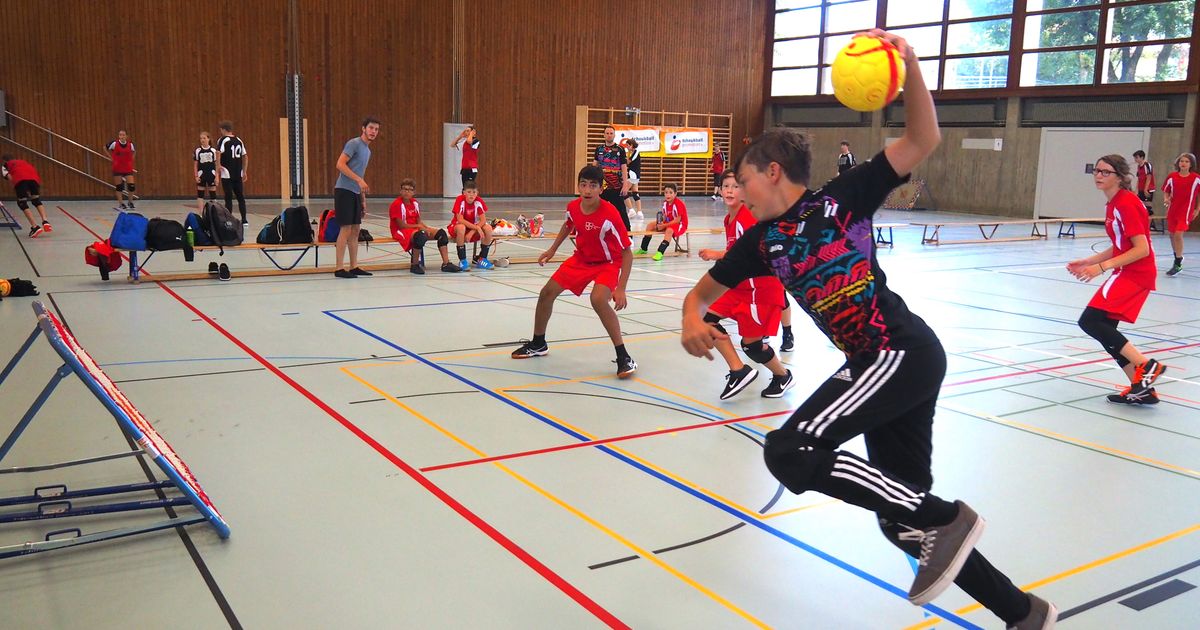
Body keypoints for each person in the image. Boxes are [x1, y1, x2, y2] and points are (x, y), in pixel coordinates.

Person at [679, 30, 1055, 629]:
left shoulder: (841, 199)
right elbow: (702, 293)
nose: (739, 193)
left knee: (793, 449)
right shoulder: (759, 243)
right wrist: (689, 318)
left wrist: (908, 65)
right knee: (902, 521)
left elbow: (923, 138)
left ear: (773, 172)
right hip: (877, 365)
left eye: (744, 180)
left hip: (898, 351)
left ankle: (945, 516)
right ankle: (1023, 612)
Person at [511, 165, 636, 379]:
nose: (587, 190)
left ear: (601, 188)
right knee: (546, 293)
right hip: (581, 259)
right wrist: (551, 250)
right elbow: (568, 225)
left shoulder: (610, 214)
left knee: (598, 300)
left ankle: (624, 356)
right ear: (578, 186)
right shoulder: (573, 206)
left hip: (608, 262)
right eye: (583, 185)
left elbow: (627, 252)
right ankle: (538, 343)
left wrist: (621, 288)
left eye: (593, 186)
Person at [1068, 154, 1167, 405]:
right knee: (1105, 328)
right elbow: (1120, 245)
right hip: (1127, 271)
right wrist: (1088, 261)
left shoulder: (1126, 203)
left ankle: (1146, 365)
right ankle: (1141, 388)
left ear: (1120, 177)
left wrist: (1101, 267)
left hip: (1135, 273)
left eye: (1106, 172)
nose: (1099, 176)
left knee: (1090, 321)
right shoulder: (1113, 204)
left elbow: (1141, 249)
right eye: (1097, 171)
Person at [697, 169, 793, 399]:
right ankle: (738, 370)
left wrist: (718, 255)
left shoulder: (748, 217)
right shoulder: (730, 218)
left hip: (760, 289)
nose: (729, 190)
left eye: (735, 186)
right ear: (719, 190)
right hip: (741, 287)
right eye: (725, 186)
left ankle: (782, 375)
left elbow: (752, 253)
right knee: (706, 320)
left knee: (752, 345)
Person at [332, 117, 380, 279]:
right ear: (363, 129)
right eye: (371, 128)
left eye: (376, 129)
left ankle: (354, 266)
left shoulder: (368, 150)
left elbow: (361, 175)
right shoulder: (353, 144)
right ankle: (339, 268)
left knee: (355, 230)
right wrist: (358, 180)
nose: (373, 132)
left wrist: (363, 199)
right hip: (343, 191)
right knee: (345, 229)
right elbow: (340, 164)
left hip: (355, 193)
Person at [389, 178, 459, 274]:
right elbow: (402, 225)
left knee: (441, 234)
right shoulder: (396, 204)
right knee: (420, 236)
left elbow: (419, 221)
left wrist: (425, 228)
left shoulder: (414, 203)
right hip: (400, 230)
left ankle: (446, 263)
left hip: (413, 228)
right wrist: (420, 227)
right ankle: (415, 265)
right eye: (404, 189)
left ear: (413, 192)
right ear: (400, 191)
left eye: (409, 190)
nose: (406, 192)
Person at [1161, 152, 1200, 276]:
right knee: (1172, 235)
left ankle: (1178, 263)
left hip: (1186, 211)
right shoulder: (1172, 177)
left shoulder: (1196, 178)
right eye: (1181, 161)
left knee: (1178, 234)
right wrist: (1166, 198)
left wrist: (1197, 209)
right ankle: (1177, 258)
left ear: (1191, 164)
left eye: (1186, 161)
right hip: (1173, 210)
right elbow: (1166, 191)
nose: (1183, 163)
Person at [448, 180, 495, 271]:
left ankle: (482, 259)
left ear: (477, 193)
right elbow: (460, 219)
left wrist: (473, 230)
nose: (471, 195)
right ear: (464, 192)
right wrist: (477, 227)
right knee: (461, 227)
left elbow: (483, 220)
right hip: (458, 226)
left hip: (472, 227)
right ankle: (463, 260)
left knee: (488, 228)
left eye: (474, 192)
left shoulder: (479, 201)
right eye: (469, 192)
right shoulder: (460, 200)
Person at [1, 155, 52, 238]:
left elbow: (10, 178)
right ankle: (45, 221)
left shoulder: (5, 165)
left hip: (21, 180)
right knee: (36, 200)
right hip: (34, 180)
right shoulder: (23, 162)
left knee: (22, 203)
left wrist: (18, 188)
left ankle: (34, 227)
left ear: (4, 161)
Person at [592, 125, 631, 232]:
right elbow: (594, 165)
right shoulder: (599, 149)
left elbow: (624, 167)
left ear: (614, 135)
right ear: (604, 135)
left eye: (611, 133)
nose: (609, 135)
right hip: (602, 187)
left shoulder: (620, 149)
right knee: (596, 209)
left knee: (621, 211)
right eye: (607, 133)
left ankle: (628, 234)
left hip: (616, 186)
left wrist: (625, 185)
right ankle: (595, 231)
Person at [636, 183, 687, 261]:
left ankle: (660, 252)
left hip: (680, 224)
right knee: (650, 225)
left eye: (670, 192)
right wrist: (660, 223)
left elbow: (677, 220)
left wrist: (664, 225)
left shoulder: (678, 204)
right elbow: (665, 216)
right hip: (668, 222)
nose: (668, 195)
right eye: (666, 192)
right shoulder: (665, 203)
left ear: (675, 193)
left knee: (669, 231)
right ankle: (643, 249)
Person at [217, 121, 249, 226]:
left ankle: (228, 219)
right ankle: (244, 220)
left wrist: (218, 166)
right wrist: (244, 171)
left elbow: (218, 153)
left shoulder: (222, 140)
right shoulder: (239, 140)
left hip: (227, 172)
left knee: (228, 197)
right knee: (240, 196)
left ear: (223, 129)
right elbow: (245, 156)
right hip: (238, 172)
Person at [107, 130, 136, 209]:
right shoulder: (114, 144)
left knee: (131, 186)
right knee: (119, 186)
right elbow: (105, 147)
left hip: (127, 167)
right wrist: (111, 158)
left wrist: (131, 160)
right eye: (120, 135)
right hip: (117, 167)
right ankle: (121, 203)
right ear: (119, 136)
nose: (122, 136)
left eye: (123, 135)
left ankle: (130, 202)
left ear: (126, 136)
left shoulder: (130, 144)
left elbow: (134, 151)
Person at [193, 131, 219, 215]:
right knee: (200, 194)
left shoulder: (213, 150)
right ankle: (201, 213)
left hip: (211, 174)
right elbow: (195, 164)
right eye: (201, 138)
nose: (202, 140)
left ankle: (214, 212)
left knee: (213, 194)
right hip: (202, 174)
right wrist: (196, 176)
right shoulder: (198, 151)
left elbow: (216, 164)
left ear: (208, 139)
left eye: (204, 138)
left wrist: (217, 176)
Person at [624, 138, 644, 220]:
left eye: (628, 145)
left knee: (623, 192)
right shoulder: (631, 152)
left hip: (633, 175)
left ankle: (631, 210)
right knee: (635, 193)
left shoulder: (636, 152)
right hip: (634, 175)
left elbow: (628, 162)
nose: (627, 147)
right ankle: (639, 212)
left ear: (632, 145)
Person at [1133, 150, 1155, 216]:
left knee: (1148, 208)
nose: (1135, 159)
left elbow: (1149, 177)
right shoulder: (1139, 167)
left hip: (1148, 188)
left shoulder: (1147, 165)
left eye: (1137, 157)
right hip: (1141, 189)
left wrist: (1146, 189)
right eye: (1135, 158)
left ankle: (1151, 224)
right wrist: (1136, 190)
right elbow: (1139, 178)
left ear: (1142, 157)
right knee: (1140, 207)